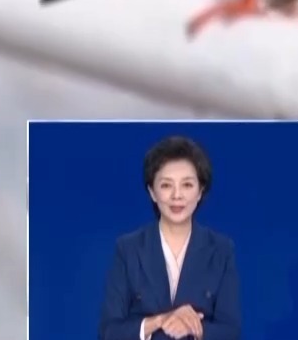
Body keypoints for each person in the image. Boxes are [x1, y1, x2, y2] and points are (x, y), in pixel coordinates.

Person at [99, 135, 241, 340]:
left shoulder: (221, 250)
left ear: (200, 191)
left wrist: (194, 328)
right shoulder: (128, 249)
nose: (177, 195)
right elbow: (108, 332)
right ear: (152, 192)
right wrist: (161, 320)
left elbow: (231, 332)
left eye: (187, 185)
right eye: (166, 185)